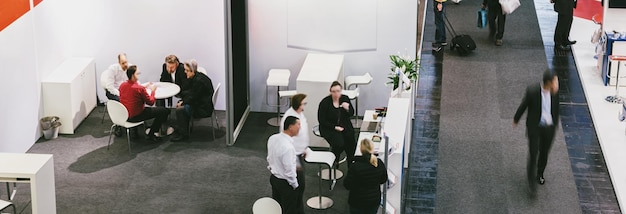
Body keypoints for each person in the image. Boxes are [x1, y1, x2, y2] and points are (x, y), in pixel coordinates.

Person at [513, 70, 559, 194]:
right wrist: (516, 119)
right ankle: (531, 184)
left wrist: (555, 124)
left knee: (544, 152)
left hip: (549, 127)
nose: (557, 84)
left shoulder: (555, 93)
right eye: (555, 82)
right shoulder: (533, 91)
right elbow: (524, 105)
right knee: (533, 154)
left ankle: (539, 174)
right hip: (535, 127)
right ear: (548, 83)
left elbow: (556, 109)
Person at [119, 65, 170, 142]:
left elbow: (132, 90)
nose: (139, 73)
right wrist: (153, 91)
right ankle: (151, 134)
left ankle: (134, 131)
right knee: (164, 111)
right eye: (137, 73)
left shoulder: (122, 85)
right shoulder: (139, 89)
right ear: (133, 75)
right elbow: (151, 102)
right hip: (137, 115)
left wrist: (143, 87)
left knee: (133, 106)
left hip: (124, 115)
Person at [267, 116, 305, 214]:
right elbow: (289, 170)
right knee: (290, 210)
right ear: (290, 127)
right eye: (298, 125)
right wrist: (295, 185)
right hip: (286, 184)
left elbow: (269, 157)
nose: (300, 127)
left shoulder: (272, 138)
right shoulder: (288, 147)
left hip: (274, 179)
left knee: (278, 207)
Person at [171, 60, 215, 142]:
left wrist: (183, 102)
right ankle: (183, 128)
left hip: (203, 109)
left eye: (187, 70)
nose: (185, 72)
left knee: (180, 109)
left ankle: (184, 135)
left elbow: (193, 97)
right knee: (181, 103)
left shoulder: (199, 81)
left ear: (192, 71)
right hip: (203, 103)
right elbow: (192, 93)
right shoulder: (198, 77)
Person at [318, 81, 356, 167]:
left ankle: (351, 164)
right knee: (339, 143)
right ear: (330, 92)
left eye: (338, 91)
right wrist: (335, 127)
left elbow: (351, 113)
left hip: (344, 125)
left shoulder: (345, 98)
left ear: (341, 90)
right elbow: (322, 121)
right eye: (334, 91)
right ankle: (335, 158)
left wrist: (347, 108)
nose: (336, 93)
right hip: (329, 127)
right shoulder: (325, 103)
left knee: (351, 142)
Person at [344, 139, 388, 214]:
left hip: (357, 201)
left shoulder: (355, 166)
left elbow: (347, 185)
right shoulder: (379, 163)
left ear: (361, 149)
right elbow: (384, 179)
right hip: (373, 201)